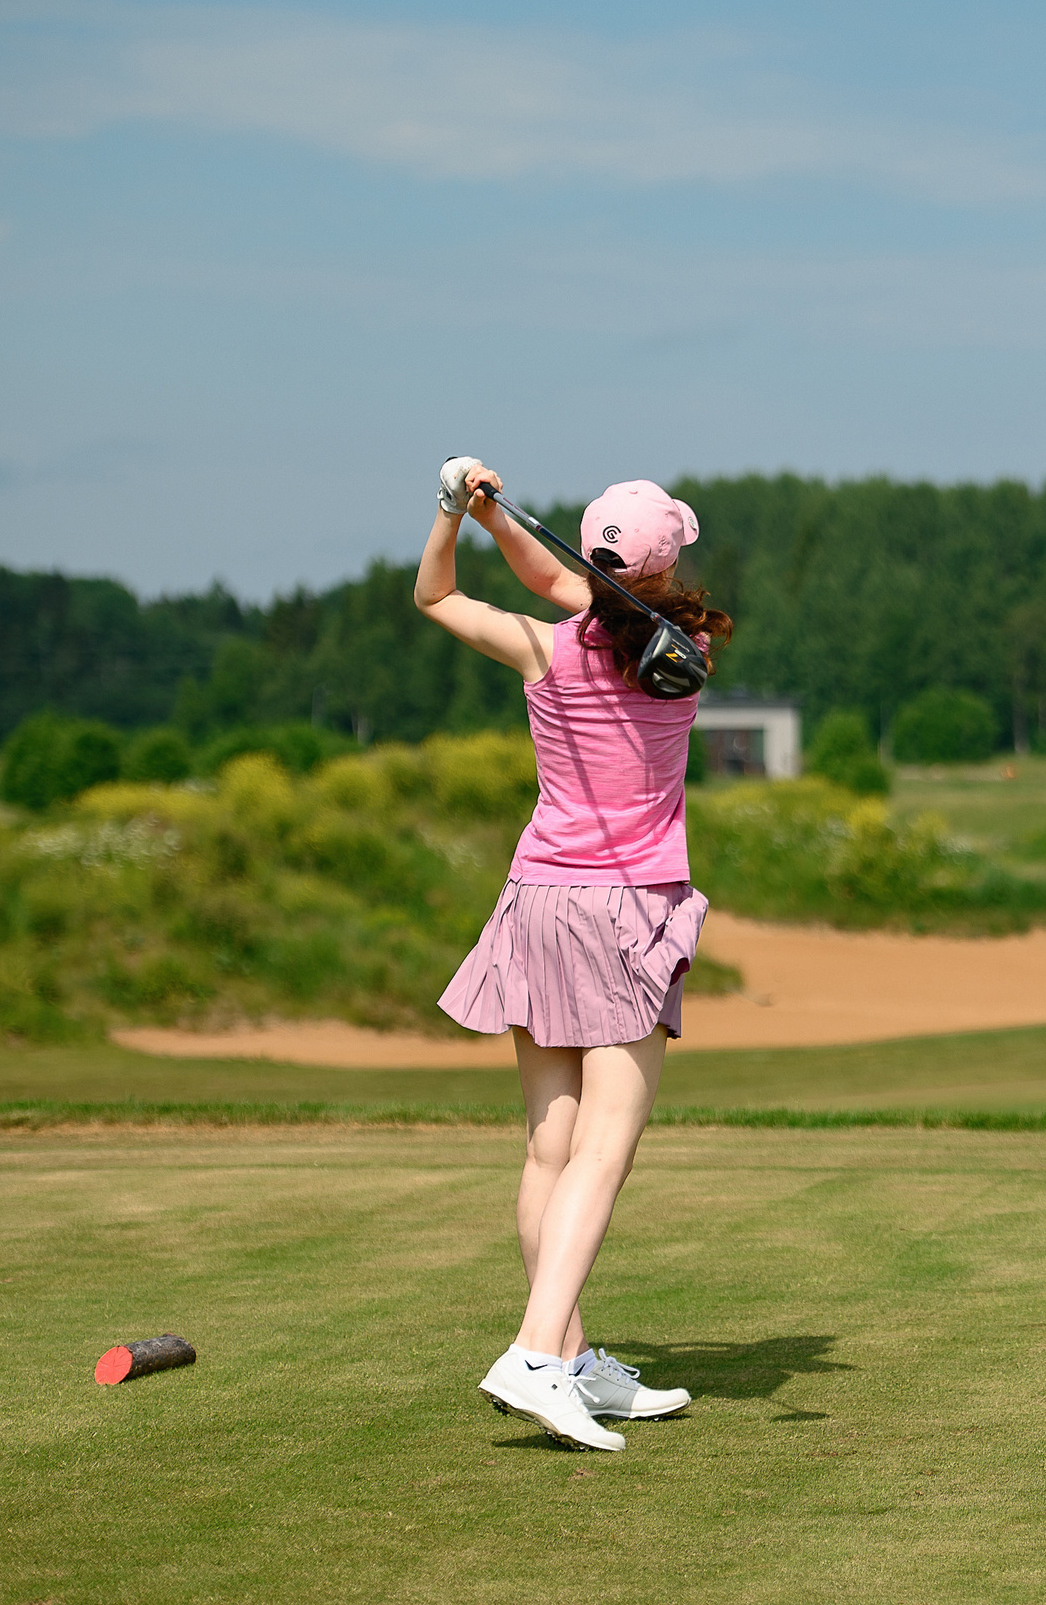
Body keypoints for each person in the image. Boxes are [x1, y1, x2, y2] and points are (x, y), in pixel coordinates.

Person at [416, 456, 732, 1453]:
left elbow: (439, 593)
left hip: (536, 902)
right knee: (605, 1147)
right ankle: (537, 1353)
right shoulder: (685, 651)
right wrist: (497, 518)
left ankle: (575, 1357)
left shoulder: (539, 647)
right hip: (622, 910)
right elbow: (585, 591)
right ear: (666, 562)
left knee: (552, 1147)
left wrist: (459, 513)